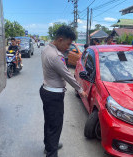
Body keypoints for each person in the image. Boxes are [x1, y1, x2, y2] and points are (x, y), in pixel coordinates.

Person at [39, 25, 87, 157]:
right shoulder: (56, 56)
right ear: (60, 40)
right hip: (53, 95)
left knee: (49, 121)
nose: (68, 47)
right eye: (68, 44)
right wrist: (80, 89)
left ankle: (48, 145)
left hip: (46, 90)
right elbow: (68, 75)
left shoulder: (46, 48)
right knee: (55, 125)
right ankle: (51, 153)